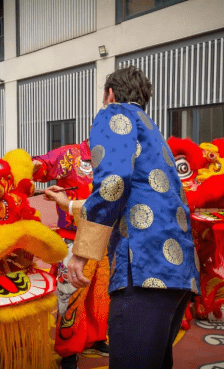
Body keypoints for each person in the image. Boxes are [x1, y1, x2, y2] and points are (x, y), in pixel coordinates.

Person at [65, 66, 201, 368]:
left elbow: (113, 183)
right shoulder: (151, 128)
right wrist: (71, 204)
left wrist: (83, 251)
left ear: (110, 94)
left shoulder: (114, 114)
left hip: (142, 266)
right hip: (175, 270)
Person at [31, 141, 110, 369]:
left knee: (100, 292)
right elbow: (43, 165)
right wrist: (27, 166)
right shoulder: (72, 154)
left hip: (105, 235)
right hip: (74, 235)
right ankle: (68, 350)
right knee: (71, 295)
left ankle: (96, 337)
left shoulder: (115, 157)